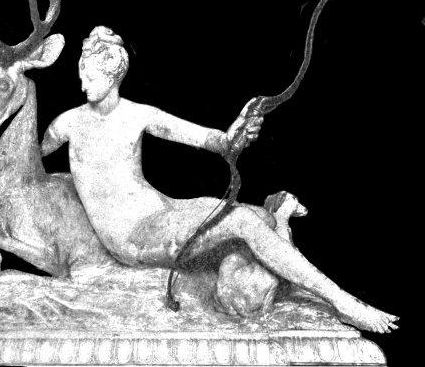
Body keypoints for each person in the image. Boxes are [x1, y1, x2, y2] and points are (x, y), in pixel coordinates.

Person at [41, 26, 398, 333]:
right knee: (242, 222)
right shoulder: (67, 124)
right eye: (81, 74)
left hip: (164, 212)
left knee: (256, 217)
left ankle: (279, 233)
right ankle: (343, 302)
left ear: (113, 74)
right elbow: (28, 159)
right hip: (136, 237)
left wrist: (238, 131)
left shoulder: (139, 115)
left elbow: (216, 142)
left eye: (90, 76)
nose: (82, 84)